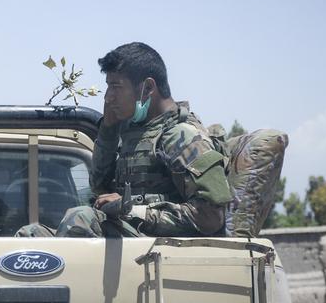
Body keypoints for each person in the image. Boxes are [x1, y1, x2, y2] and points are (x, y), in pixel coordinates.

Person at [17, 42, 231, 237]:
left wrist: (132, 210)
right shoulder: (131, 133)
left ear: (147, 88)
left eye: (116, 87)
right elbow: (99, 187)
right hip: (130, 240)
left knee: (82, 218)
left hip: (161, 253)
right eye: (108, 86)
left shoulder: (183, 136)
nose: (108, 97)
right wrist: (108, 132)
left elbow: (210, 217)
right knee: (31, 237)